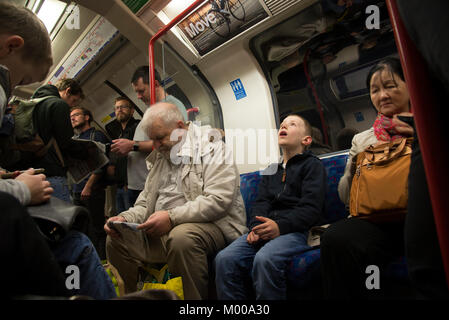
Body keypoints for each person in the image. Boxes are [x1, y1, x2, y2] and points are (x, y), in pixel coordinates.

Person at [0, 2, 116, 299]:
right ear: (11, 46)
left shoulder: (31, 104)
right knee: (74, 244)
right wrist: (19, 189)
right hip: (46, 179)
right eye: (20, 81)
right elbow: (65, 145)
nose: (13, 92)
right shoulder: (53, 106)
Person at [105, 102, 247, 299]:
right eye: (152, 140)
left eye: (160, 138)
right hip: (163, 229)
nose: (155, 146)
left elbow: (218, 200)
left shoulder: (212, 148)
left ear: (180, 127)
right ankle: (133, 296)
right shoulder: (160, 156)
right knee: (116, 238)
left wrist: (171, 218)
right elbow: (145, 203)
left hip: (212, 225)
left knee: (182, 237)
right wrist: (123, 218)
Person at [321, 57, 414, 299]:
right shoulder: (362, 140)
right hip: (377, 221)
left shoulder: (425, 122)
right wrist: (354, 166)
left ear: (408, 84)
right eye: (375, 90)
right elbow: (345, 197)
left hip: (419, 216)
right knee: (336, 238)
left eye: (390, 86)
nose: (382, 95)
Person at [215, 114, 327, 300]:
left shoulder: (312, 165)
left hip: (298, 230)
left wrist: (280, 227)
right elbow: (261, 202)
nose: (284, 126)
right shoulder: (270, 169)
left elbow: (311, 208)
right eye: (282, 124)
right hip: (265, 228)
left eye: (292, 124)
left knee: (265, 259)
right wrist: (255, 228)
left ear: (306, 140)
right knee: (224, 259)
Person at [110, 67, 187, 207]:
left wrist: (132, 145)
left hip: (154, 184)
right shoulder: (151, 109)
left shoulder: (171, 106)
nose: (138, 96)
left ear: (156, 84)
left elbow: (173, 143)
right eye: (136, 92)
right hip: (140, 184)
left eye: (141, 91)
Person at [19, 78, 85, 203]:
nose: (71, 105)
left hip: (30, 175)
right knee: (62, 218)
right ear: (67, 91)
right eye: (73, 100)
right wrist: (85, 152)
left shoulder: (34, 103)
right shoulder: (58, 104)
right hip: (52, 172)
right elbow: (66, 141)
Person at [70, 106, 110, 260]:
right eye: (71, 116)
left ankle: (104, 260)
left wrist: (88, 186)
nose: (72, 118)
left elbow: (100, 165)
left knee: (97, 228)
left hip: (92, 189)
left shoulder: (96, 135)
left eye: (76, 115)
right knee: (84, 229)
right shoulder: (74, 140)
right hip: (77, 189)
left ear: (87, 117)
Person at [106, 97, 139, 213]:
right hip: (119, 185)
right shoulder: (118, 132)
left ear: (132, 110)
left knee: (133, 222)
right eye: (117, 108)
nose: (119, 110)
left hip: (132, 185)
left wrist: (127, 183)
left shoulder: (138, 127)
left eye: (123, 107)